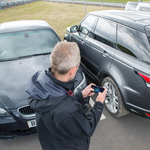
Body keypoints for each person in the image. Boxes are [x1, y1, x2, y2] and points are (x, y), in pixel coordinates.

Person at [26, 41, 107, 150]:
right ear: (73, 70)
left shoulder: (41, 85)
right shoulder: (68, 109)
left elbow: (57, 101)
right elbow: (87, 129)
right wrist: (98, 104)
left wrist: (80, 95)